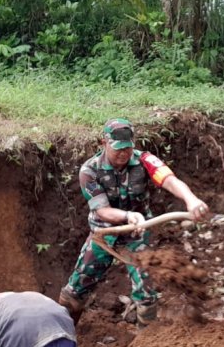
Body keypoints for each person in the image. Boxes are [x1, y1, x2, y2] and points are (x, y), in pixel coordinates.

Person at [59, 118, 209, 326]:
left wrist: (190, 199)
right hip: (103, 236)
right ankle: (63, 330)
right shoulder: (89, 171)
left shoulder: (145, 160)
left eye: (127, 148)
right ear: (104, 143)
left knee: (146, 293)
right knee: (76, 290)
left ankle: (145, 342)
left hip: (137, 236)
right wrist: (128, 216)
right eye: (118, 149)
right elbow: (102, 210)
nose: (123, 154)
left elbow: (170, 180)